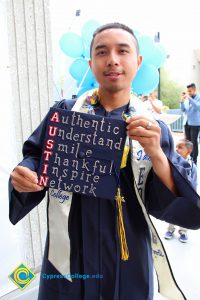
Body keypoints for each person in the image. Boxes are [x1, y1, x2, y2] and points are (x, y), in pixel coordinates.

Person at [9, 23, 200, 300]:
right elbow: (36, 157)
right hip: (72, 248)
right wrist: (25, 175)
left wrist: (157, 153)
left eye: (122, 51)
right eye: (102, 52)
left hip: (128, 250)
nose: (112, 59)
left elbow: (182, 197)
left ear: (138, 61)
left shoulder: (153, 126)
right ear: (91, 62)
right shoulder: (65, 112)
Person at [165, 139, 198, 242]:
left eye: (180, 147)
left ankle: (183, 231)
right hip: (174, 191)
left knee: (185, 212)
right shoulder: (172, 161)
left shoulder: (192, 166)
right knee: (173, 210)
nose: (176, 149)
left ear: (188, 151)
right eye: (176, 147)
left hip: (186, 192)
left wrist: (192, 195)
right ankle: (170, 229)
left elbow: (194, 181)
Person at [180, 83, 200, 164]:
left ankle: (194, 161)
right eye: (188, 91)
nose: (188, 93)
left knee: (193, 142)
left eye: (190, 91)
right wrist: (181, 101)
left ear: (194, 90)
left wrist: (189, 98)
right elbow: (183, 110)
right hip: (187, 123)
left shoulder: (198, 98)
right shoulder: (188, 99)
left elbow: (197, 107)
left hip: (195, 124)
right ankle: (188, 159)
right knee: (187, 142)